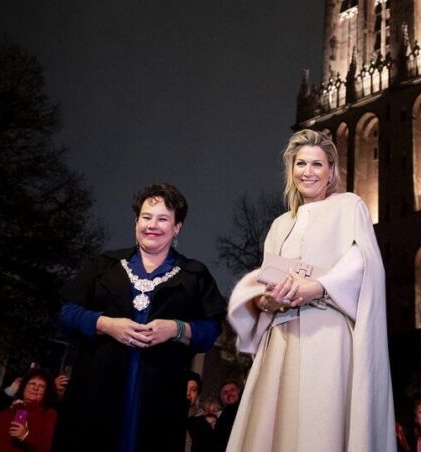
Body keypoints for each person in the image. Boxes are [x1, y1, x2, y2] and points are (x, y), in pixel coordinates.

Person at [226, 129, 395, 451]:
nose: (308, 172)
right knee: (280, 427)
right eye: (300, 164)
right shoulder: (279, 225)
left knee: (324, 422)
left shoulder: (349, 206)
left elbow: (362, 261)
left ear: (331, 170)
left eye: (317, 164)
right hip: (284, 337)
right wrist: (268, 300)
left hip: (328, 334)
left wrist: (317, 287)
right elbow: (266, 281)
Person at [52, 183, 226, 452]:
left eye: (163, 219)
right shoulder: (105, 265)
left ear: (177, 227)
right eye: (146, 217)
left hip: (160, 396)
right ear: (136, 221)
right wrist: (106, 324)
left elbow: (211, 329)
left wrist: (177, 329)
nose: (152, 225)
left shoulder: (194, 275)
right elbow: (67, 313)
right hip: (95, 390)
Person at [0, 369, 57, 452]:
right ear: (24, 387)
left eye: (41, 386)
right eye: (32, 383)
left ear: (46, 392)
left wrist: (26, 436)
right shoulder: (7, 412)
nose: (35, 388)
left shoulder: (50, 415)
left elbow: (47, 447)